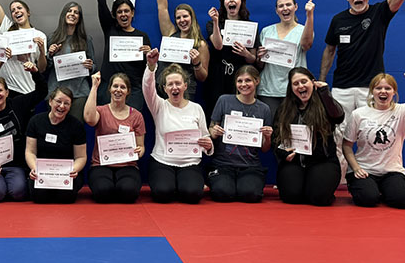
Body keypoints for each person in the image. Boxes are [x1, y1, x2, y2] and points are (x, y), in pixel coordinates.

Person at [320, 0, 405, 179]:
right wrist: (322, 80)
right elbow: (329, 50)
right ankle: (341, 179)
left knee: (370, 134)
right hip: (341, 87)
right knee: (339, 135)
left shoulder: (380, 12)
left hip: (371, 88)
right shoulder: (338, 20)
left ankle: (370, 177)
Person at [342, 72, 405, 209]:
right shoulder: (359, 114)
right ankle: (369, 188)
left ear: (394, 92)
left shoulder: (403, 111)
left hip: (392, 171)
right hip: (365, 169)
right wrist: (356, 168)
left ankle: (387, 189)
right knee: (368, 199)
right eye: (378, 88)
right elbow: (346, 145)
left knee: (402, 200)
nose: (383, 91)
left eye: (387, 88)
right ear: (372, 91)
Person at [0, 60, 48, 202]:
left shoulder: (18, 104)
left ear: (7, 92)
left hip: (15, 165)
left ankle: (8, 185)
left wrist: (35, 73)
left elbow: (42, 92)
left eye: (0, 90)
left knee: (19, 192)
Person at [144, 49, 213, 204]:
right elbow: (147, 88)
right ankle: (171, 184)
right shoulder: (159, 106)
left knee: (193, 195)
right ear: (164, 88)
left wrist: (208, 146)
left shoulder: (196, 108)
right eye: (170, 84)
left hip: (190, 162)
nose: (174, 87)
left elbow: (206, 136)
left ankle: (186, 184)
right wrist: (151, 67)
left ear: (185, 86)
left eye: (178, 83)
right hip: (162, 161)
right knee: (162, 193)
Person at [272, 67, 344, 206]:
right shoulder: (284, 108)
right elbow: (277, 136)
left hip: (322, 161)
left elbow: (338, 117)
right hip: (294, 162)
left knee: (319, 198)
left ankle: (318, 187)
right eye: (296, 84)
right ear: (291, 88)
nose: (301, 86)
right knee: (291, 196)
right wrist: (282, 153)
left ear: (313, 83)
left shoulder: (324, 104)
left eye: (304, 81)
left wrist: (324, 93)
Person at [207, 65, 273, 203]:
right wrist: (214, 132)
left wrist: (267, 137)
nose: (243, 84)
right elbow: (211, 129)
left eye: (248, 80)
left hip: (250, 166)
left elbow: (265, 149)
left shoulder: (264, 109)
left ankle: (244, 184)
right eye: (240, 81)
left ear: (257, 81)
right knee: (222, 193)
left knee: (250, 195)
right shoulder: (224, 100)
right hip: (223, 163)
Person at [94, 0, 151, 110]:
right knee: (107, 128)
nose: (123, 14)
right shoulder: (110, 29)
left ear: (132, 13)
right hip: (109, 88)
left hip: (133, 89)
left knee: (131, 127)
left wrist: (148, 55)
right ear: (115, 15)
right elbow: (101, 5)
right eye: (119, 12)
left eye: (126, 11)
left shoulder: (142, 37)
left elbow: (149, 67)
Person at [84, 72, 146, 203]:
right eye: (115, 86)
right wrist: (94, 86)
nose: (118, 90)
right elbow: (89, 118)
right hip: (101, 165)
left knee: (128, 192)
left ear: (128, 91)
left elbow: (141, 147)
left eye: (122, 87)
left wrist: (139, 151)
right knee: (103, 192)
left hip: (127, 165)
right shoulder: (100, 111)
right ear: (110, 89)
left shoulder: (137, 116)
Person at [205, 0, 258, 122]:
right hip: (218, 75)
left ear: (241, 2)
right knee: (216, 111)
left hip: (241, 75)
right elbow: (218, 45)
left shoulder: (250, 26)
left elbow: (253, 59)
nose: (231, 0)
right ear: (223, 3)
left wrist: (246, 53)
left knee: (239, 112)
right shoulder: (213, 24)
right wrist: (216, 21)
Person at [25, 87, 88, 204]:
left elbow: (81, 157)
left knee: (66, 197)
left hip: (67, 174)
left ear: (70, 106)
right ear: (50, 101)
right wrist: (35, 168)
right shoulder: (35, 121)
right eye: (58, 101)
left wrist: (74, 170)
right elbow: (30, 152)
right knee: (39, 197)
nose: (62, 106)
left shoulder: (76, 126)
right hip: (42, 173)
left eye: (66, 103)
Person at [256, 0, 315, 117]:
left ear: (295, 7)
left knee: (293, 130)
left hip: (295, 89)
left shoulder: (304, 30)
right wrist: (260, 57)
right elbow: (260, 64)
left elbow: (306, 45)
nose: (285, 8)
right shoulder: (266, 31)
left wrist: (310, 15)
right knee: (270, 129)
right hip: (269, 89)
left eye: (288, 4)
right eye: (281, 6)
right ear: (276, 10)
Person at [155, 0, 209, 99]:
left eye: (185, 16)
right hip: (163, 89)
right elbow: (162, 7)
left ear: (192, 18)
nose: (182, 20)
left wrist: (197, 63)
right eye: (178, 18)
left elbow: (203, 77)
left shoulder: (200, 44)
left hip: (185, 93)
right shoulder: (170, 33)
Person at [47, 1, 96, 122]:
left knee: (75, 128)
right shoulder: (52, 38)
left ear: (79, 18)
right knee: (56, 127)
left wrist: (90, 66)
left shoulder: (86, 39)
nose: (72, 14)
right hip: (57, 91)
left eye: (76, 12)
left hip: (79, 92)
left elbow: (94, 66)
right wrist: (50, 54)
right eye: (69, 11)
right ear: (64, 14)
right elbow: (45, 68)